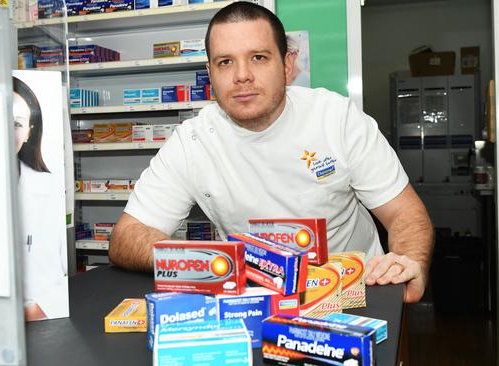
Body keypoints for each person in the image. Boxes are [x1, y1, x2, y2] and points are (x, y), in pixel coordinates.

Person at [109, 2, 433, 303]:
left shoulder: (337, 119)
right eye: (225, 62)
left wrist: (407, 264)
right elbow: (126, 237)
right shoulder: (192, 142)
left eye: (258, 58)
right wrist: (208, 262)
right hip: (253, 299)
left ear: (288, 65)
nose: (242, 76)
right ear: (210, 74)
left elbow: (405, 213)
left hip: (353, 293)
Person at [13, 76, 68, 321]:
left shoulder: (49, 188)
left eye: (16, 123)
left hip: (39, 326)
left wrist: (36, 309)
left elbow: (64, 275)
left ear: (28, 132)